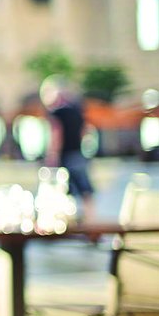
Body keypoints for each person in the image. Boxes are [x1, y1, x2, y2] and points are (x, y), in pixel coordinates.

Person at [40, 75, 95, 220]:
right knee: (84, 189)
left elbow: (57, 134)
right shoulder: (76, 110)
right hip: (78, 153)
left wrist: (52, 155)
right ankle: (90, 219)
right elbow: (85, 131)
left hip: (65, 155)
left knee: (60, 188)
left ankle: (62, 219)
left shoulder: (57, 113)